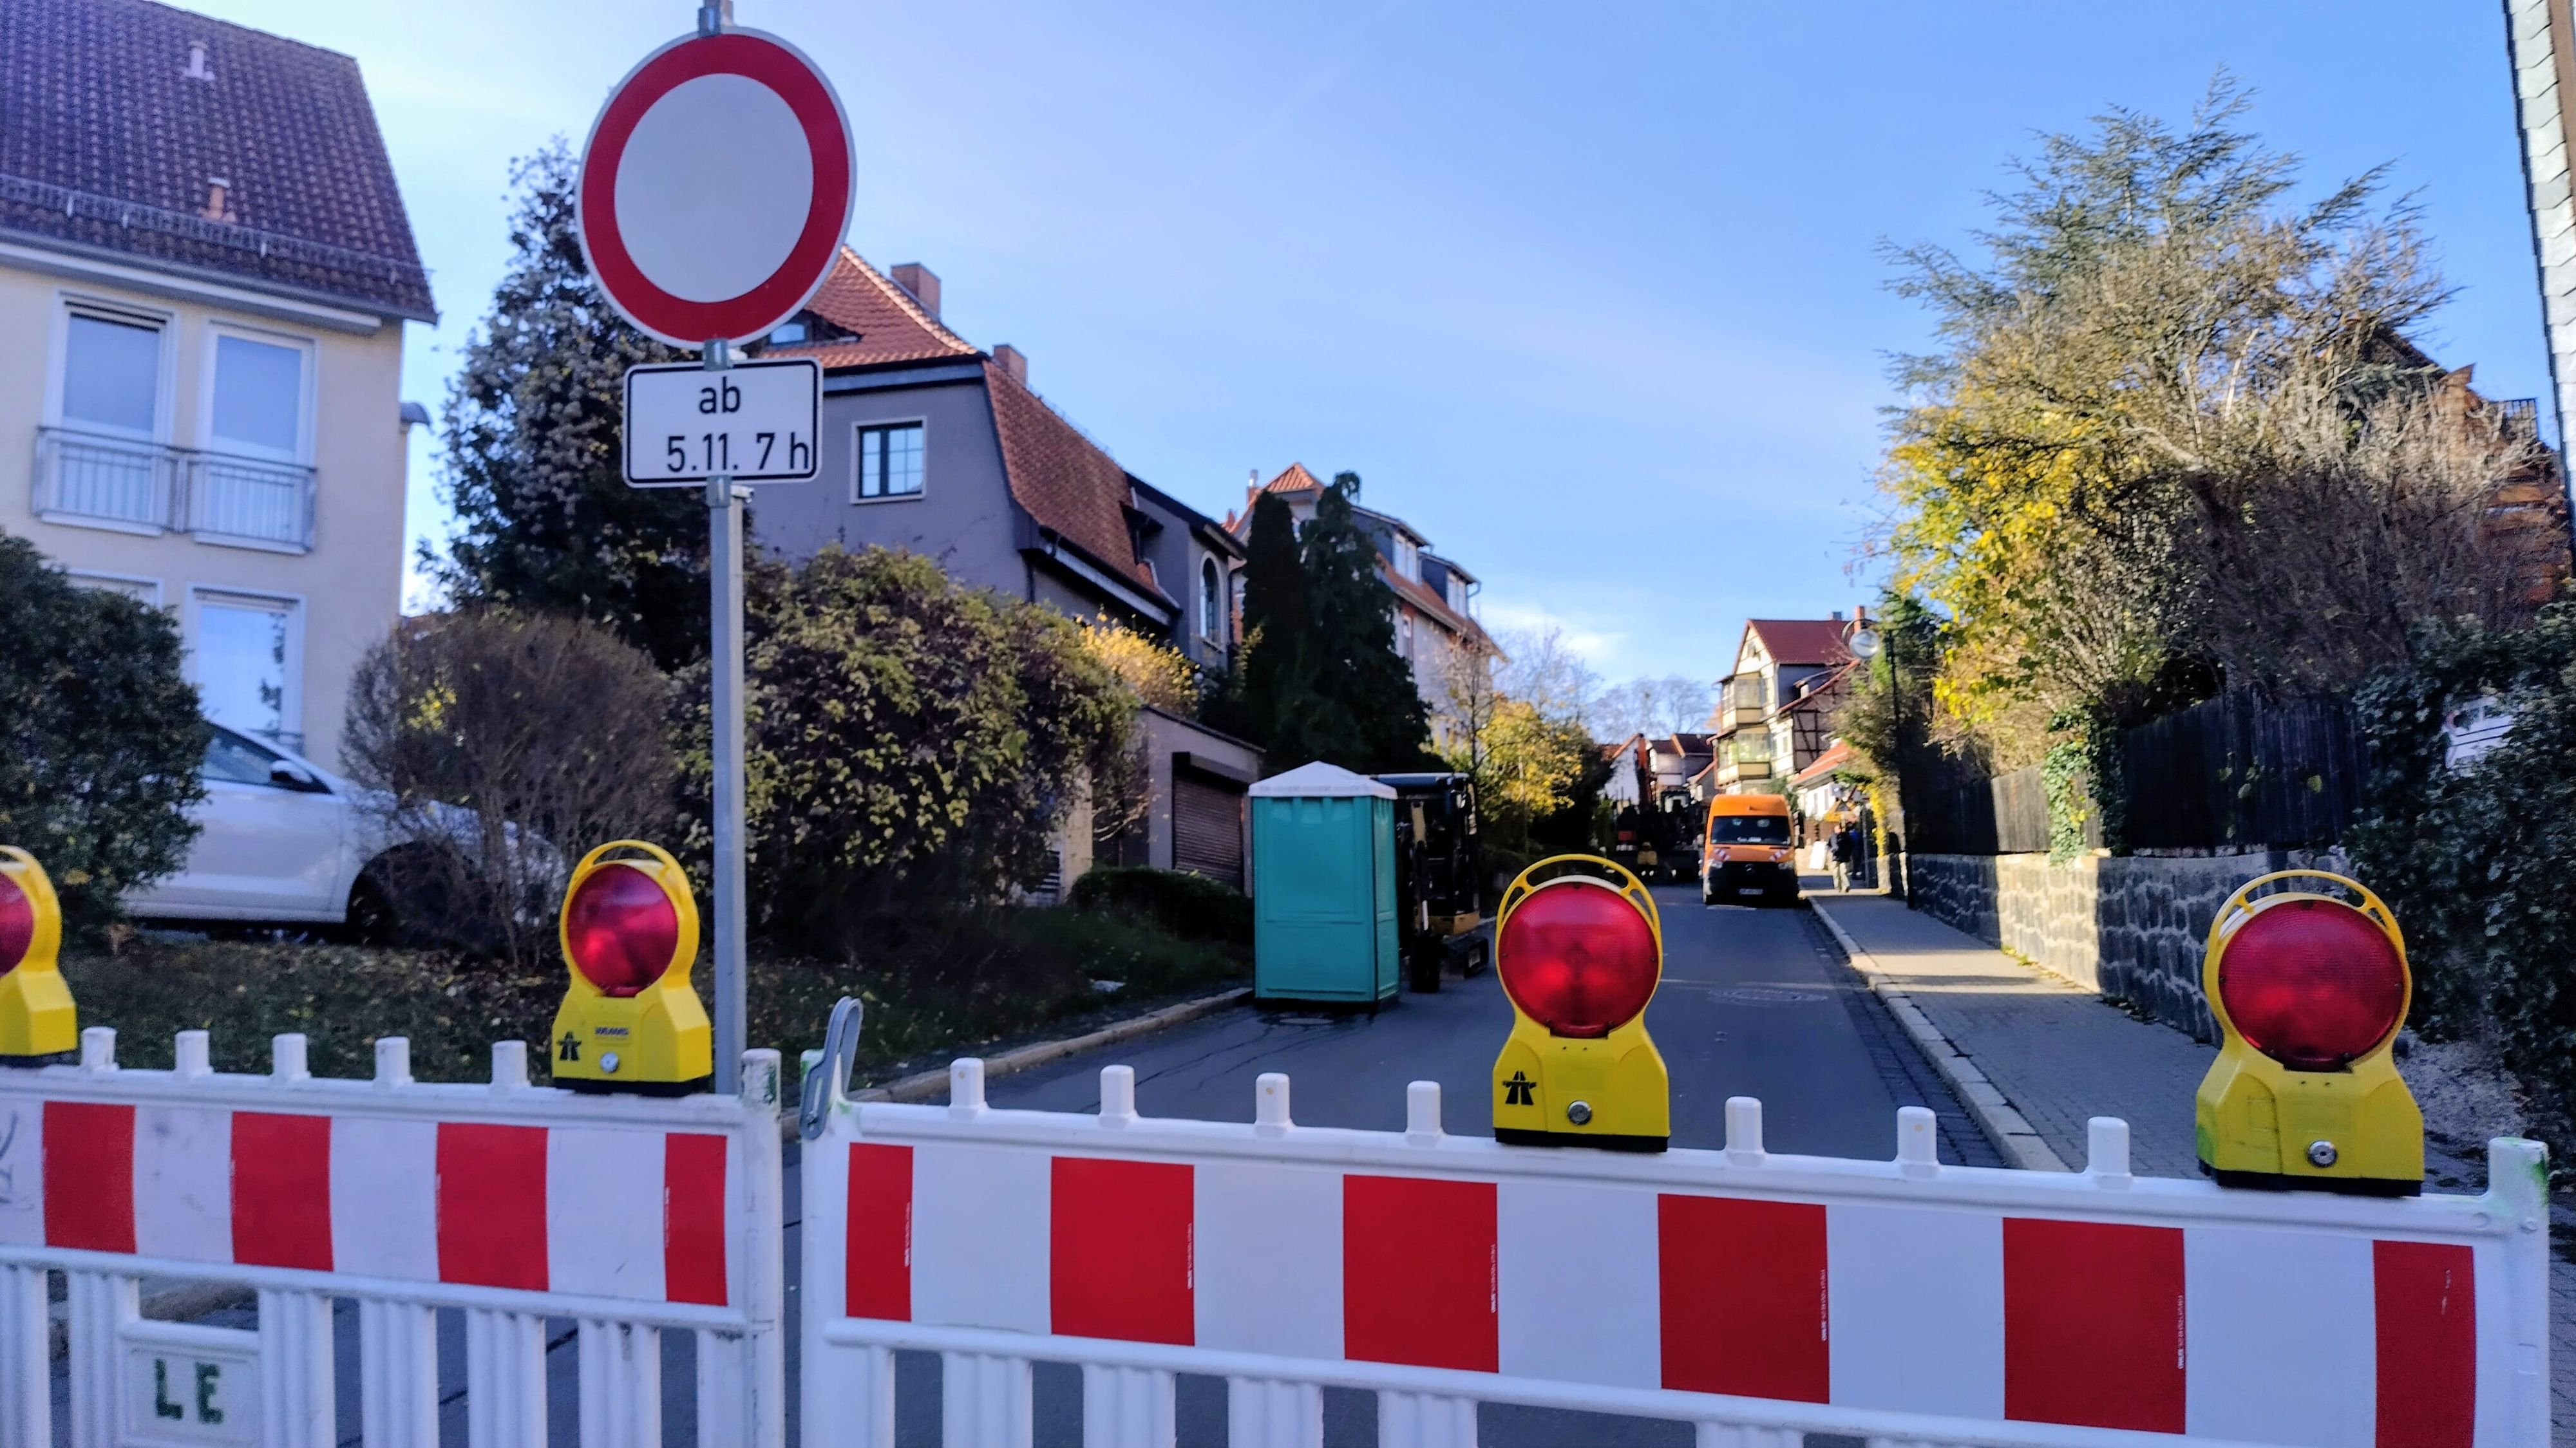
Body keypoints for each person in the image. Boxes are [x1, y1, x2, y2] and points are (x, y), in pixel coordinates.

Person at [1830, 822, 1858, 892]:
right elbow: (1829, 845)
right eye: (1837, 829)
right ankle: (1838, 887)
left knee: (1844, 872)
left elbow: (1851, 845)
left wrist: (1848, 853)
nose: (1839, 830)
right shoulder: (1832, 837)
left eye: (1839, 829)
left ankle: (1846, 886)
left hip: (1844, 857)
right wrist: (1832, 850)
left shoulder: (1846, 836)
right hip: (1836, 857)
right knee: (1836, 873)